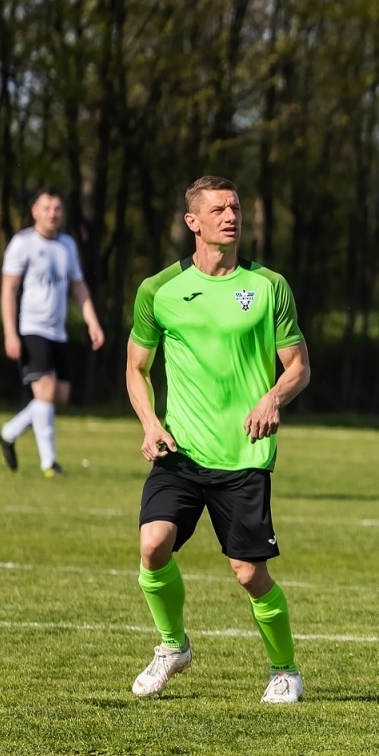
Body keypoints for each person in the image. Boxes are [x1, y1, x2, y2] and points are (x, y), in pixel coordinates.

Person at [125, 176, 311, 704]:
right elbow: (136, 369)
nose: (231, 216)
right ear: (193, 222)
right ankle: (171, 646)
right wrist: (150, 423)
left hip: (244, 456)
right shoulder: (158, 290)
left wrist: (274, 397)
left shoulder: (269, 285)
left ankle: (284, 669)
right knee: (152, 544)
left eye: (235, 208)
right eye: (219, 209)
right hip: (179, 452)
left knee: (249, 574)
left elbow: (298, 367)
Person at [0, 187, 106, 477]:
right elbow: (8, 289)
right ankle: (49, 464)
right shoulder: (23, 243)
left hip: (59, 332)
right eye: (46, 208)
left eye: (57, 208)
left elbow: (78, 287)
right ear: (35, 211)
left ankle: (8, 432)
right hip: (32, 327)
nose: (52, 213)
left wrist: (92, 321)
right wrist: (10, 332)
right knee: (45, 391)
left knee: (61, 395)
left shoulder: (67, 244)